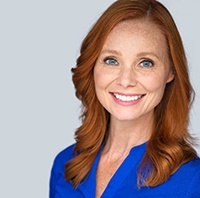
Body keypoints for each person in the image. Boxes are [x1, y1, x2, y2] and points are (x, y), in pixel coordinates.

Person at [49, 0, 200, 197]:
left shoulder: (192, 181)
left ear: (171, 71)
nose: (126, 80)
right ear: (93, 66)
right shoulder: (65, 166)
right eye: (111, 61)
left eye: (146, 63)